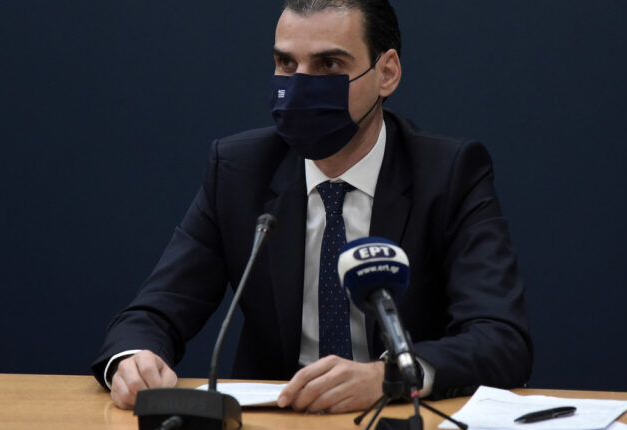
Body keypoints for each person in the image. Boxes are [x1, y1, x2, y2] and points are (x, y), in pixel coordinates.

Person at [92, 0, 532, 414]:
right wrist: (133, 359)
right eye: (287, 64)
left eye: (329, 65)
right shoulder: (240, 171)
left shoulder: (448, 175)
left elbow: (501, 339)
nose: (300, 85)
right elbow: (155, 311)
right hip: (276, 417)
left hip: (397, 414)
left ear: (387, 74)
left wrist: (390, 376)